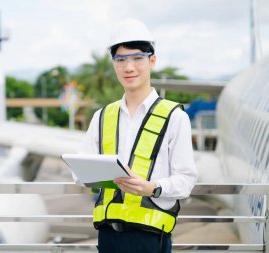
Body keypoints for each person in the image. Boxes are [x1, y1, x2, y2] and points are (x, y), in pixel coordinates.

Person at [79, 18, 197, 253]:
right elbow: (80, 171)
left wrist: (152, 188)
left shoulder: (175, 117)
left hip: (152, 238)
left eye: (137, 58)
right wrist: (91, 174)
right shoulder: (102, 116)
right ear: (113, 64)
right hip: (108, 237)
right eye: (121, 60)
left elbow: (186, 179)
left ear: (152, 61)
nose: (128, 67)